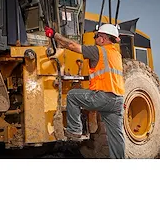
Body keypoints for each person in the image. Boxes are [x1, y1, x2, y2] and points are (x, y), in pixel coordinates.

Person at [45, 24, 125, 159]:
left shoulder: (98, 51)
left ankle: (75, 130)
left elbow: (72, 46)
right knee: (116, 136)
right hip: (117, 100)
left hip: (103, 97)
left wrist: (54, 35)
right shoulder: (116, 55)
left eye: (97, 36)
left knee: (72, 96)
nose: (95, 38)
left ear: (103, 38)